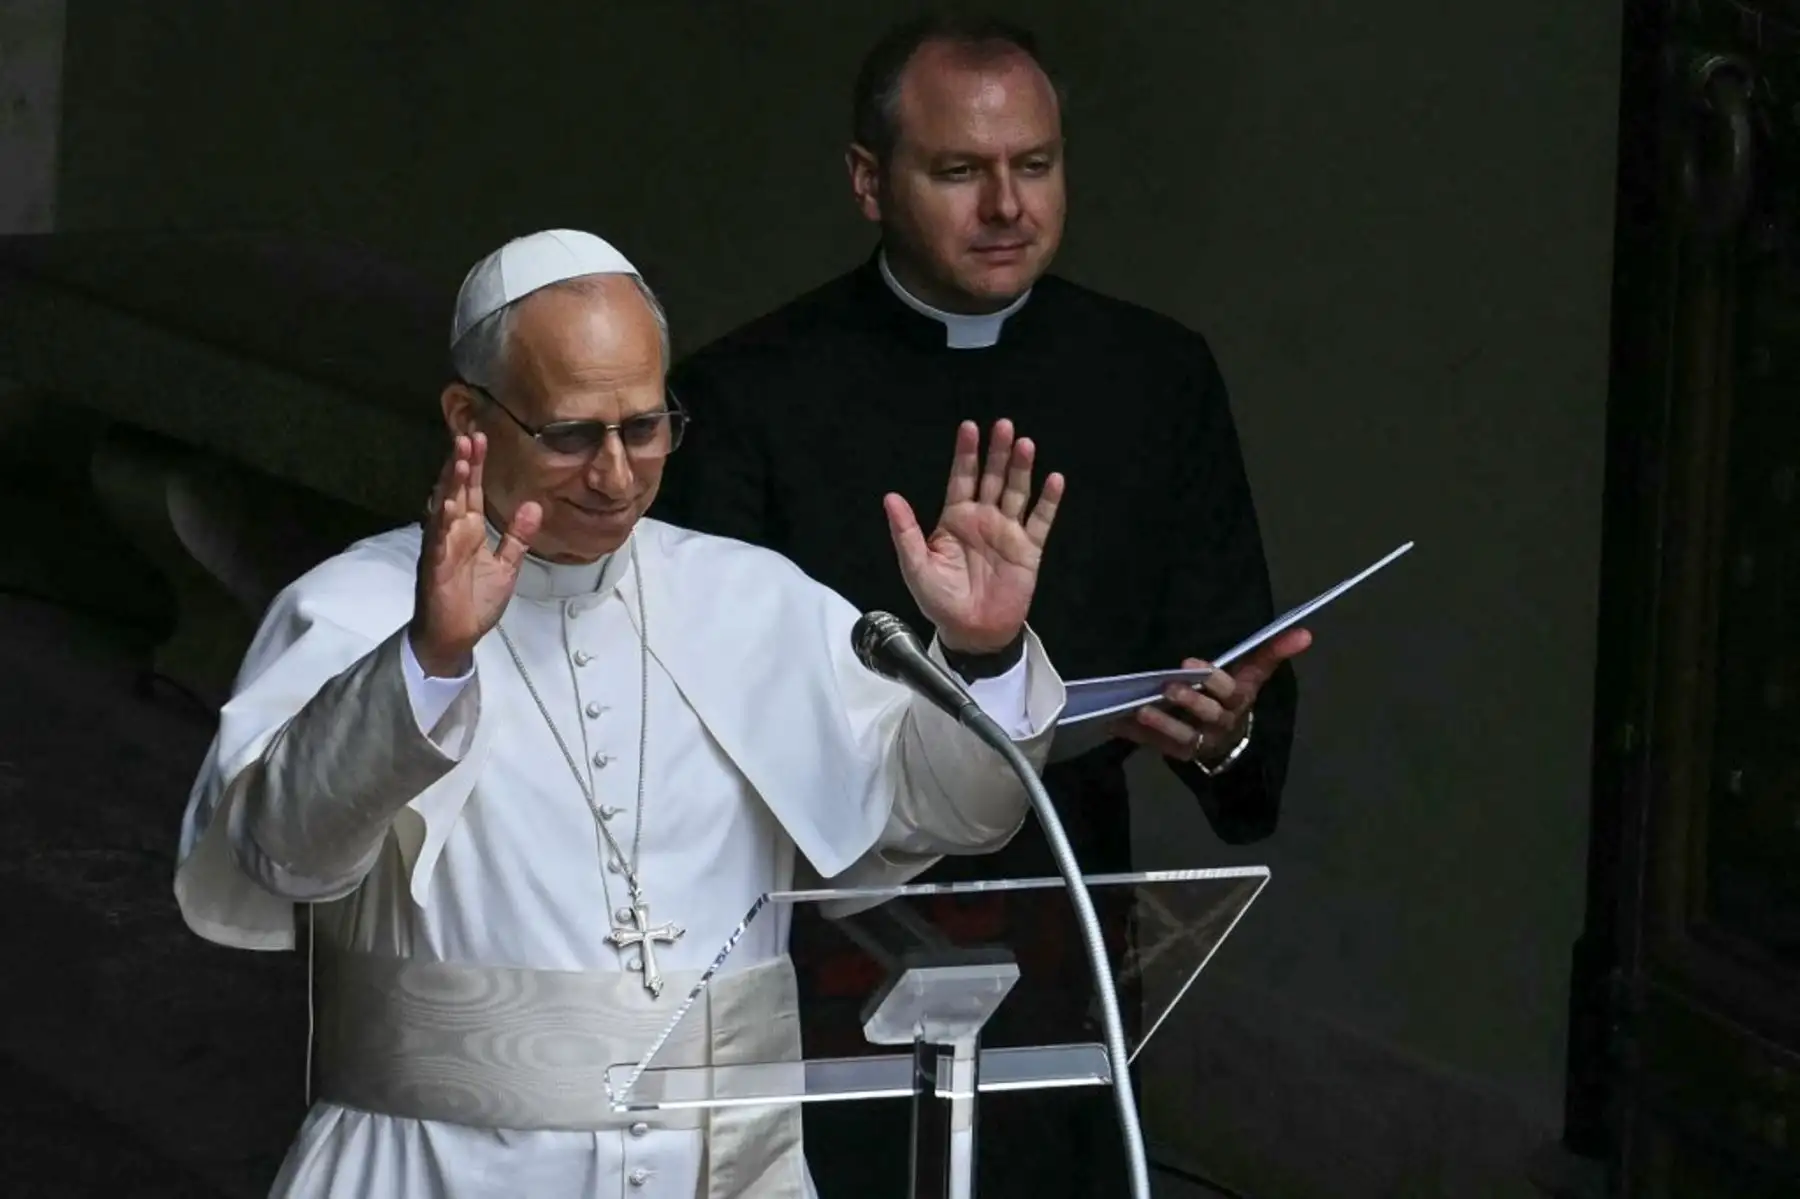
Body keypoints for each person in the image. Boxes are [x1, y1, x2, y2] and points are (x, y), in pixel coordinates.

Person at [172, 228, 1075, 1199]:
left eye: (643, 427)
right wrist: (427, 660)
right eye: (571, 433)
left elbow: (947, 808)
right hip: (435, 1169)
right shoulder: (353, 605)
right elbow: (280, 852)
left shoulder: (752, 598)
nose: (614, 474)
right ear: (467, 416)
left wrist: (978, 653)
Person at [657, 13, 1311, 1197]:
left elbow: (1231, 663)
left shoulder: (1157, 376)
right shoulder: (750, 395)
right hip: (823, 954)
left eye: (1036, 165)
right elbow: (700, 727)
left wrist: (1229, 730)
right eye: (960, 170)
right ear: (869, 181)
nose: (1008, 205)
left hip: (1061, 941)